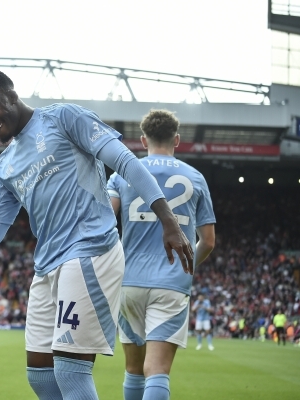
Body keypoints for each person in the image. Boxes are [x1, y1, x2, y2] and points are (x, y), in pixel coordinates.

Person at [0, 69, 194, 400]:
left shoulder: (64, 118)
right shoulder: (5, 164)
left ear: (12, 95)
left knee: (70, 370)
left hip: (89, 250)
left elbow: (124, 161)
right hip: (47, 266)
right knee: (40, 375)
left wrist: (167, 218)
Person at [106, 109, 216, 400]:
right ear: (177, 140)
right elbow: (208, 240)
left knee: (133, 369)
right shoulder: (195, 177)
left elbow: (102, 221)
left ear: (143, 140)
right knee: (157, 370)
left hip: (129, 282)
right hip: (172, 282)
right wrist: (187, 266)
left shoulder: (122, 174)